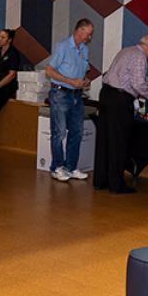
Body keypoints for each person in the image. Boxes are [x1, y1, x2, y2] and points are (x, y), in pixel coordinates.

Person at [94, 34, 148, 194]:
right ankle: (116, 185)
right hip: (120, 100)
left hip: (106, 95)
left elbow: (130, 76)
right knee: (118, 142)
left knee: (105, 140)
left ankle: (100, 180)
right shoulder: (140, 57)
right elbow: (137, 84)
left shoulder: (127, 51)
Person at [44, 18, 95, 182]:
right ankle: (56, 167)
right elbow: (49, 71)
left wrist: (84, 80)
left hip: (77, 96)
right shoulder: (63, 47)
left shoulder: (85, 50)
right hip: (60, 94)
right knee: (59, 133)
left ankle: (71, 167)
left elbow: (82, 72)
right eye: (88, 34)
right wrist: (70, 81)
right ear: (79, 31)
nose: (89, 37)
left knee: (77, 132)